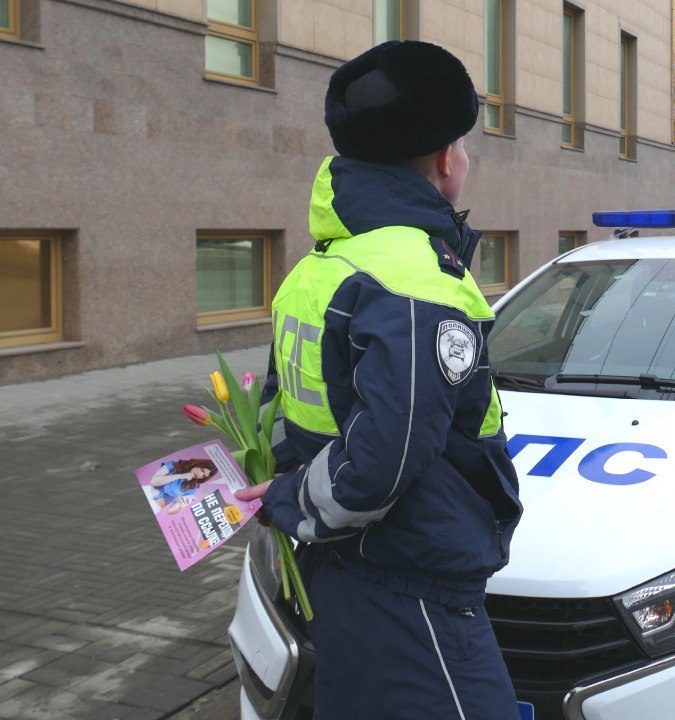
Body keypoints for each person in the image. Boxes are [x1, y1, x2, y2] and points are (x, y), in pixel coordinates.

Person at [234, 41, 522, 720]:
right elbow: (381, 460)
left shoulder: (320, 266)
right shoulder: (416, 278)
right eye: (464, 146)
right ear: (447, 161)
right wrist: (286, 498)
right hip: (411, 581)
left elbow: (293, 412)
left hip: (339, 571)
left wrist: (284, 491)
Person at [150, 459, 217, 514]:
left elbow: (170, 511)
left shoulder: (192, 487)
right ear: (198, 464)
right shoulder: (173, 465)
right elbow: (153, 482)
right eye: (202, 470)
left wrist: (180, 507)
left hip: (156, 507)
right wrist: (182, 476)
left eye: (203, 476)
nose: (200, 474)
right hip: (148, 493)